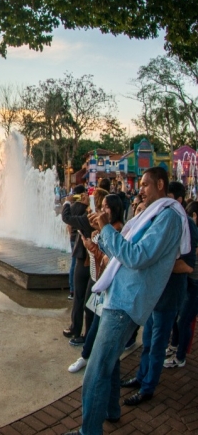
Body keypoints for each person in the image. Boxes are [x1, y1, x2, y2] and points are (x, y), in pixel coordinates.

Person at [63, 167, 190, 435]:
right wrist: (101, 233)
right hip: (118, 298)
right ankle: (110, 412)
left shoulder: (167, 218)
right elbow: (123, 256)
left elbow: (136, 257)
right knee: (107, 366)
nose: (140, 190)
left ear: (160, 184)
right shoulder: (152, 216)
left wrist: (108, 229)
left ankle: (89, 431)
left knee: (95, 373)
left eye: (144, 184)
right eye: (140, 184)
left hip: (125, 304)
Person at [120, 180, 197, 406]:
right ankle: (142, 376)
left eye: (147, 185)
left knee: (157, 344)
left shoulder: (185, 225)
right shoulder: (159, 218)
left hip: (169, 294)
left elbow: (188, 265)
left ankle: (148, 387)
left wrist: (157, 263)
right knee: (148, 340)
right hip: (154, 293)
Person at [68, 194, 124, 373]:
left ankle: (88, 356)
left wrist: (90, 245)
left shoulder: (116, 229)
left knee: (99, 320)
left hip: (106, 282)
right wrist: (91, 239)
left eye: (106, 207)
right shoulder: (104, 226)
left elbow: (109, 257)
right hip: (96, 276)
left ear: (114, 210)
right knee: (90, 310)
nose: (102, 210)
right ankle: (87, 354)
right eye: (102, 206)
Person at [165, 200, 198, 368]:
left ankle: (180, 357)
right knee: (178, 318)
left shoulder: (192, 231)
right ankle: (174, 346)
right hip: (188, 282)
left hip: (195, 285)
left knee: (183, 320)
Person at [61, 189, 96, 344]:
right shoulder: (98, 217)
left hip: (85, 258)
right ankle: (86, 333)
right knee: (87, 298)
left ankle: (79, 330)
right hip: (93, 260)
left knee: (82, 296)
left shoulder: (90, 218)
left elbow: (66, 217)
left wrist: (68, 201)